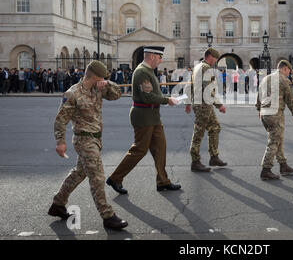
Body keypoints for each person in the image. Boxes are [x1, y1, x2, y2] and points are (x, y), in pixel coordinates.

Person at [48, 60, 128, 230]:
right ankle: (108, 216)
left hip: (96, 138)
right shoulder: (72, 94)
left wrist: (108, 84)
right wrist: (60, 142)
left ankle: (58, 204)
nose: (104, 81)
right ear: (96, 76)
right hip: (84, 141)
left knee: (79, 173)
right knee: (97, 177)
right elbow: (60, 120)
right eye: (103, 78)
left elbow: (117, 94)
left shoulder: (98, 88)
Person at [107, 46, 181, 194]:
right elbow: (147, 97)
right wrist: (167, 100)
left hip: (153, 116)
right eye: (159, 58)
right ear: (152, 56)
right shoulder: (141, 72)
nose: (160, 61)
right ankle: (115, 178)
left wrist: (165, 100)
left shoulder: (148, 72)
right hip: (143, 116)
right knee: (139, 150)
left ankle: (162, 181)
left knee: (160, 148)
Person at [256, 60, 293, 180]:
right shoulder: (284, 80)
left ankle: (283, 164)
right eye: (288, 71)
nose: (288, 74)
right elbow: (290, 100)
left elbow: (259, 95)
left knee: (277, 138)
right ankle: (266, 169)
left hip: (265, 114)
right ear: (285, 68)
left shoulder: (266, 79)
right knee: (274, 141)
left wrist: (259, 109)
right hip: (275, 114)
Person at [185, 47, 227, 172]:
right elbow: (209, 90)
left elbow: (189, 85)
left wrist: (188, 102)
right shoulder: (206, 69)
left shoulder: (197, 67)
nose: (215, 61)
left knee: (215, 127)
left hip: (201, 104)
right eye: (215, 59)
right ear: (210, 56)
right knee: (199, 132)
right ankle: (195, 161)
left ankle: (214, 156)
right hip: (203, 104)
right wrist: (220, 105)